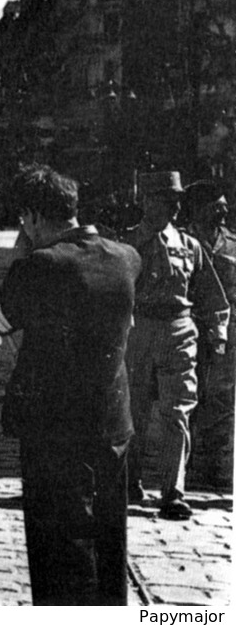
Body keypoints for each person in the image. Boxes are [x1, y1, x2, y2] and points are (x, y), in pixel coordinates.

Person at [0, 165, 137, 605]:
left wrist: (23, 254)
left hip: (53, 429)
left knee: (57, 549)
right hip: (112, 425)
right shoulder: (127, 258)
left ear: (34, 216)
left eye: (24, 220)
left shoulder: (39, 266)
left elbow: (0, 323)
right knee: (109, 537)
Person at [123, 170, 230, 519]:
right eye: (165, 198)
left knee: (177, 412)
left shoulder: (189, 246)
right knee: (134, 410)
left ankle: (173, 491)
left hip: (178, 332)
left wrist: (218, 335)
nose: (173, 205)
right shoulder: (125, 245)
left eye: (177, 199)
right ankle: (130, 481)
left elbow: (214, 299)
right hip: (137, 331)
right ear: (145, 200)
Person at [185, 178, 236, 492]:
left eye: (224, 205)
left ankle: (217, 466)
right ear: (198, 208)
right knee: (187, 398)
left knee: (221, 398)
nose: (224, 210)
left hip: (227, 332)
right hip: (190, 329)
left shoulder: (232, 244)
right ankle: (187, 463)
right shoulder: (181, 241)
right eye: (216, 205)